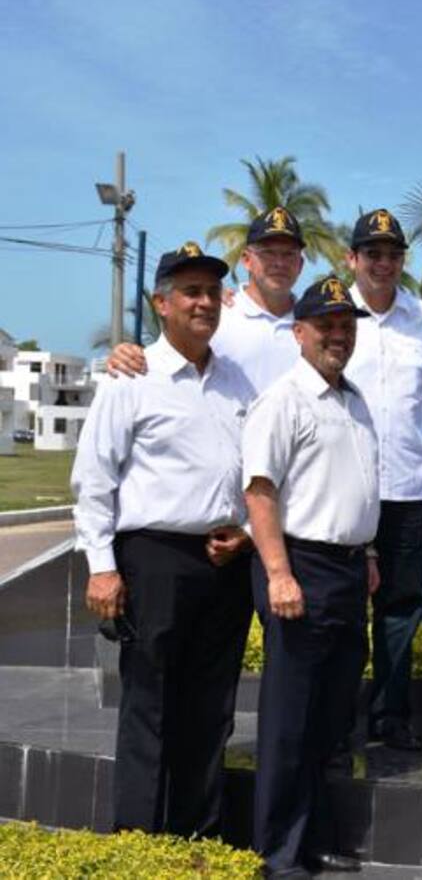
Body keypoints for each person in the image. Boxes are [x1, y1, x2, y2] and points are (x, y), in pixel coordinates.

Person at [72, 242, 256, 837]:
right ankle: (139, 842)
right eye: (190, 292)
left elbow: (259, 471)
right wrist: (102, 566)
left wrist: (250, 533)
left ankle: (196, 834)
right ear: (161, 303)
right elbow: (95, 478)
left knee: (211, 708)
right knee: (149, 704)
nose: (203, 302)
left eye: (210, 292)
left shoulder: (237, 382)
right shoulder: (133, 378)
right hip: (154, 558)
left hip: (224, 561)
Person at [243, 276, 380, 877]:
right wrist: (278, 573)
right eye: (326, 325)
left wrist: (368, 554)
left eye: (346, 326)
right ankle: (278, 852)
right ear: (299, 332)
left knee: (331, 718)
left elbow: (352, 486)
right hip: (300, 567)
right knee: (288, 720)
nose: (338, 335)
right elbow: (260, 492)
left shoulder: (355, 400)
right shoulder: (284, 400)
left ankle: (317, 837)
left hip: (348, 572)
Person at [342, 208, 422, 751]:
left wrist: (399, 429)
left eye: (392, 255)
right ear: (353, 258)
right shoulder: (332, 313)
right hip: (343, 488)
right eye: (373, 253)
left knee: (398, 607)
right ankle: (338, 714)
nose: (383, 263)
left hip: (407, 489)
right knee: (342, 609)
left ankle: (388, 716)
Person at [107, 205, 307, 393]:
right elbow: (168, 354)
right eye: (268, 253)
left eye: (289, 254)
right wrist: (127, 354)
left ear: (300, 264)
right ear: (246, 259)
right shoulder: (217, 316)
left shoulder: (315, 328)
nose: (279, 263)